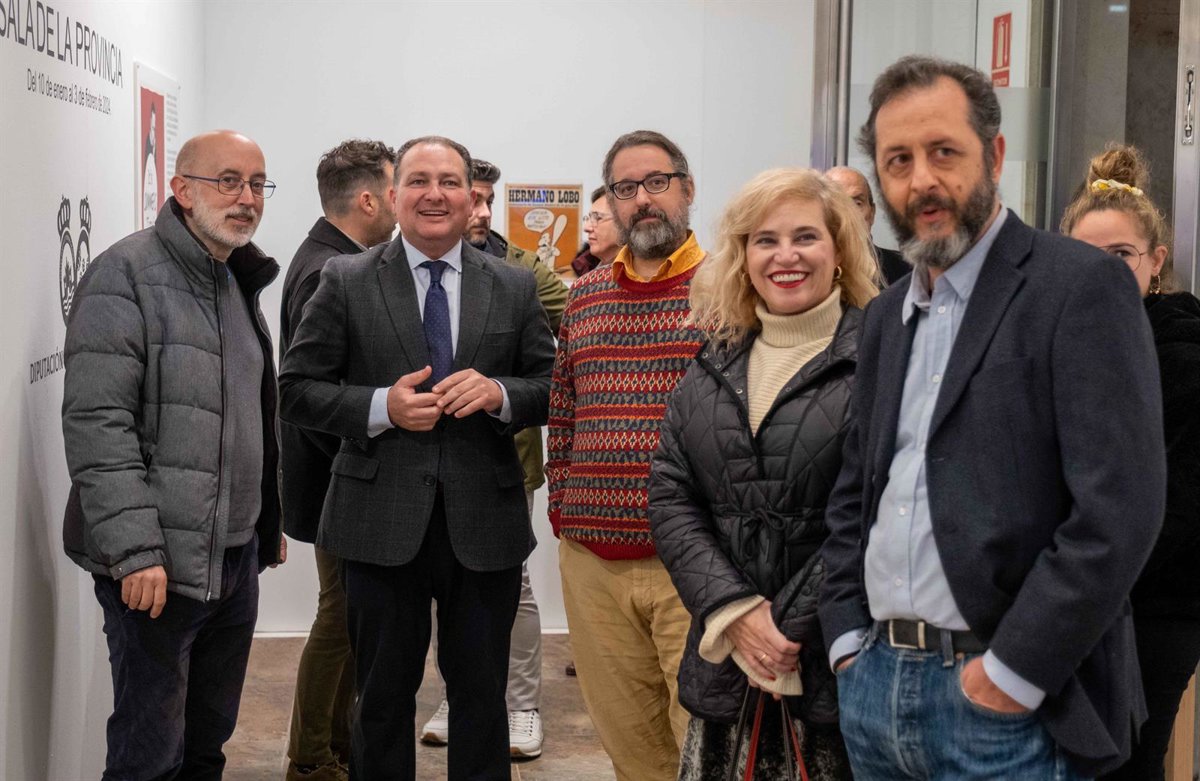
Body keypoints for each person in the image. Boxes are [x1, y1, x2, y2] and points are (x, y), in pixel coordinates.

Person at [818, 55, 1166, 779]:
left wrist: (1009, 675)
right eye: (898, 160)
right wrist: (847, 640)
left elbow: (1118, 511)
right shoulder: (884, 316)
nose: (922, 180)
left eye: (944, 151)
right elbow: (858, 492)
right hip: (875, 691)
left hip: (1004, 709)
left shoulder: (1080, 287)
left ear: (996, 155)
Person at [277, 135, 555, 781]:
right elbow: (295, 389)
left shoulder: (514, 286)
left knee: (481, 702)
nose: (436, 194)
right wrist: (382, 406)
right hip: (376, 524)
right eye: (420, 181)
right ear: (394, 194)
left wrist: (500, 393)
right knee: (379, 703)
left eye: (450, 181)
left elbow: (551, 386)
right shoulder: (345, 279)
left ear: (471, 196)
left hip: (484, 525)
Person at [62, 129, 285, 779]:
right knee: (149, 755)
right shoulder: (125, 274)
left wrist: (266, 518)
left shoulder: (236, 276)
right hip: (157, 570)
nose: (246, 198)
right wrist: (135, 551)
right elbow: (98, 426)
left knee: (208, 743)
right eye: (228, 181)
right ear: (181, 189)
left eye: (257, 184)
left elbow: (249, 412)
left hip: (234, 561)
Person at [650, 167, 878, 780]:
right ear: (743, 256)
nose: (785, 256)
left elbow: (876, 514)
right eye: (765, 240)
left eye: (805, 237)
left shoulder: (882, 360)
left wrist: (780, 630)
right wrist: (735, 611)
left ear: (840, 250)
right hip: (727, 666)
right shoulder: (712, 361)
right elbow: (670, 495)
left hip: (831, 667)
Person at [546, 129, 706, 781]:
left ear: (687, 189)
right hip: (594, 564)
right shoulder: (583, 298)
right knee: (632, 750)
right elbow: (563, 412)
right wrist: (564, 511)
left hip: (694, 564)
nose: (642, 199)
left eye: (656, 183)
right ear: (610, 201)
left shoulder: (728, 291)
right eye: (625, 187)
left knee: (703, 747)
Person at [420, 157, 567, 759]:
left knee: (514, 583)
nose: (478, 211)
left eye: (485, 200)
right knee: (438, 585)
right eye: (470, 196)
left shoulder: (523, 271)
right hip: (422, 464)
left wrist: (501, 389)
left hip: (504, 458)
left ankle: (522, 704)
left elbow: (569, 341)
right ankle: (458, 694)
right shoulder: (397, 270)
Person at [1062, 144, 1200, 781]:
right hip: (1067, 601)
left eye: (1121, 255)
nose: (1104, 272)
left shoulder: (1183, 355)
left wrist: (1087, 576)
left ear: (1156, 262)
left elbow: (1180, 505)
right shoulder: (1057, 343)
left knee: (1127, 765)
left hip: (1153, 608)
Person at [280, 138, 396, 781]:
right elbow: (310, 394)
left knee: (349, 615)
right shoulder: (330, 269)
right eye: (398, 190)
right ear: (369, 200)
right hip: (337, 479)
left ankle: (336, 747)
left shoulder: (325, 256)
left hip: (334, 476)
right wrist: (363, 456)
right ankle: (310, 759)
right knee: (340, 617)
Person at [824, 165, 908, 285]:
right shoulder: (808, 271)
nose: (849, 213)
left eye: (857, 203)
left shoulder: (905, 271)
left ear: (872, 213)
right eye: (836, 204)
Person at [571, 186, 622, 277]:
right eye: (588, 218)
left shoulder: (643, 276)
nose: (586, 228)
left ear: (624, 222)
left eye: (597, 218)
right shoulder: (586, 273)